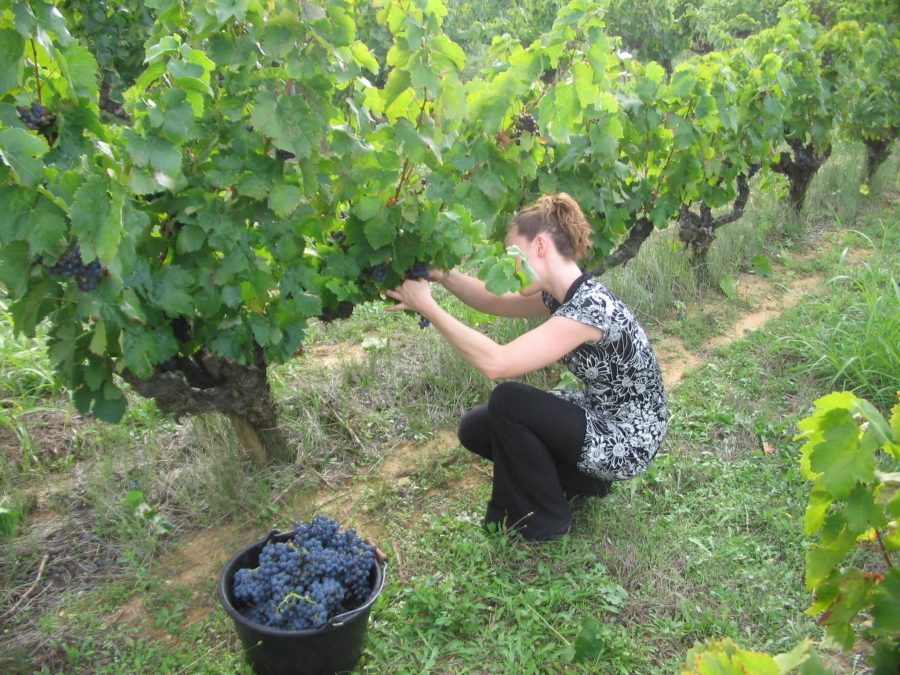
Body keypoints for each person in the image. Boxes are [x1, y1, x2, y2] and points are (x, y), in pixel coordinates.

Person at [385, 193, 669, 542]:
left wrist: (427, 307)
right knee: (477, 427)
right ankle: (582, 480)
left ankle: (546, 521)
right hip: (601, 412)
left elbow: (497, 364)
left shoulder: (590, 308)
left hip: (628, 438)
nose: (511, 267)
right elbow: (491, 301)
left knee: (509, 401)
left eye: (512, 255)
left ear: (538, 246)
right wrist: (444, 275)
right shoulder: (563, 296)